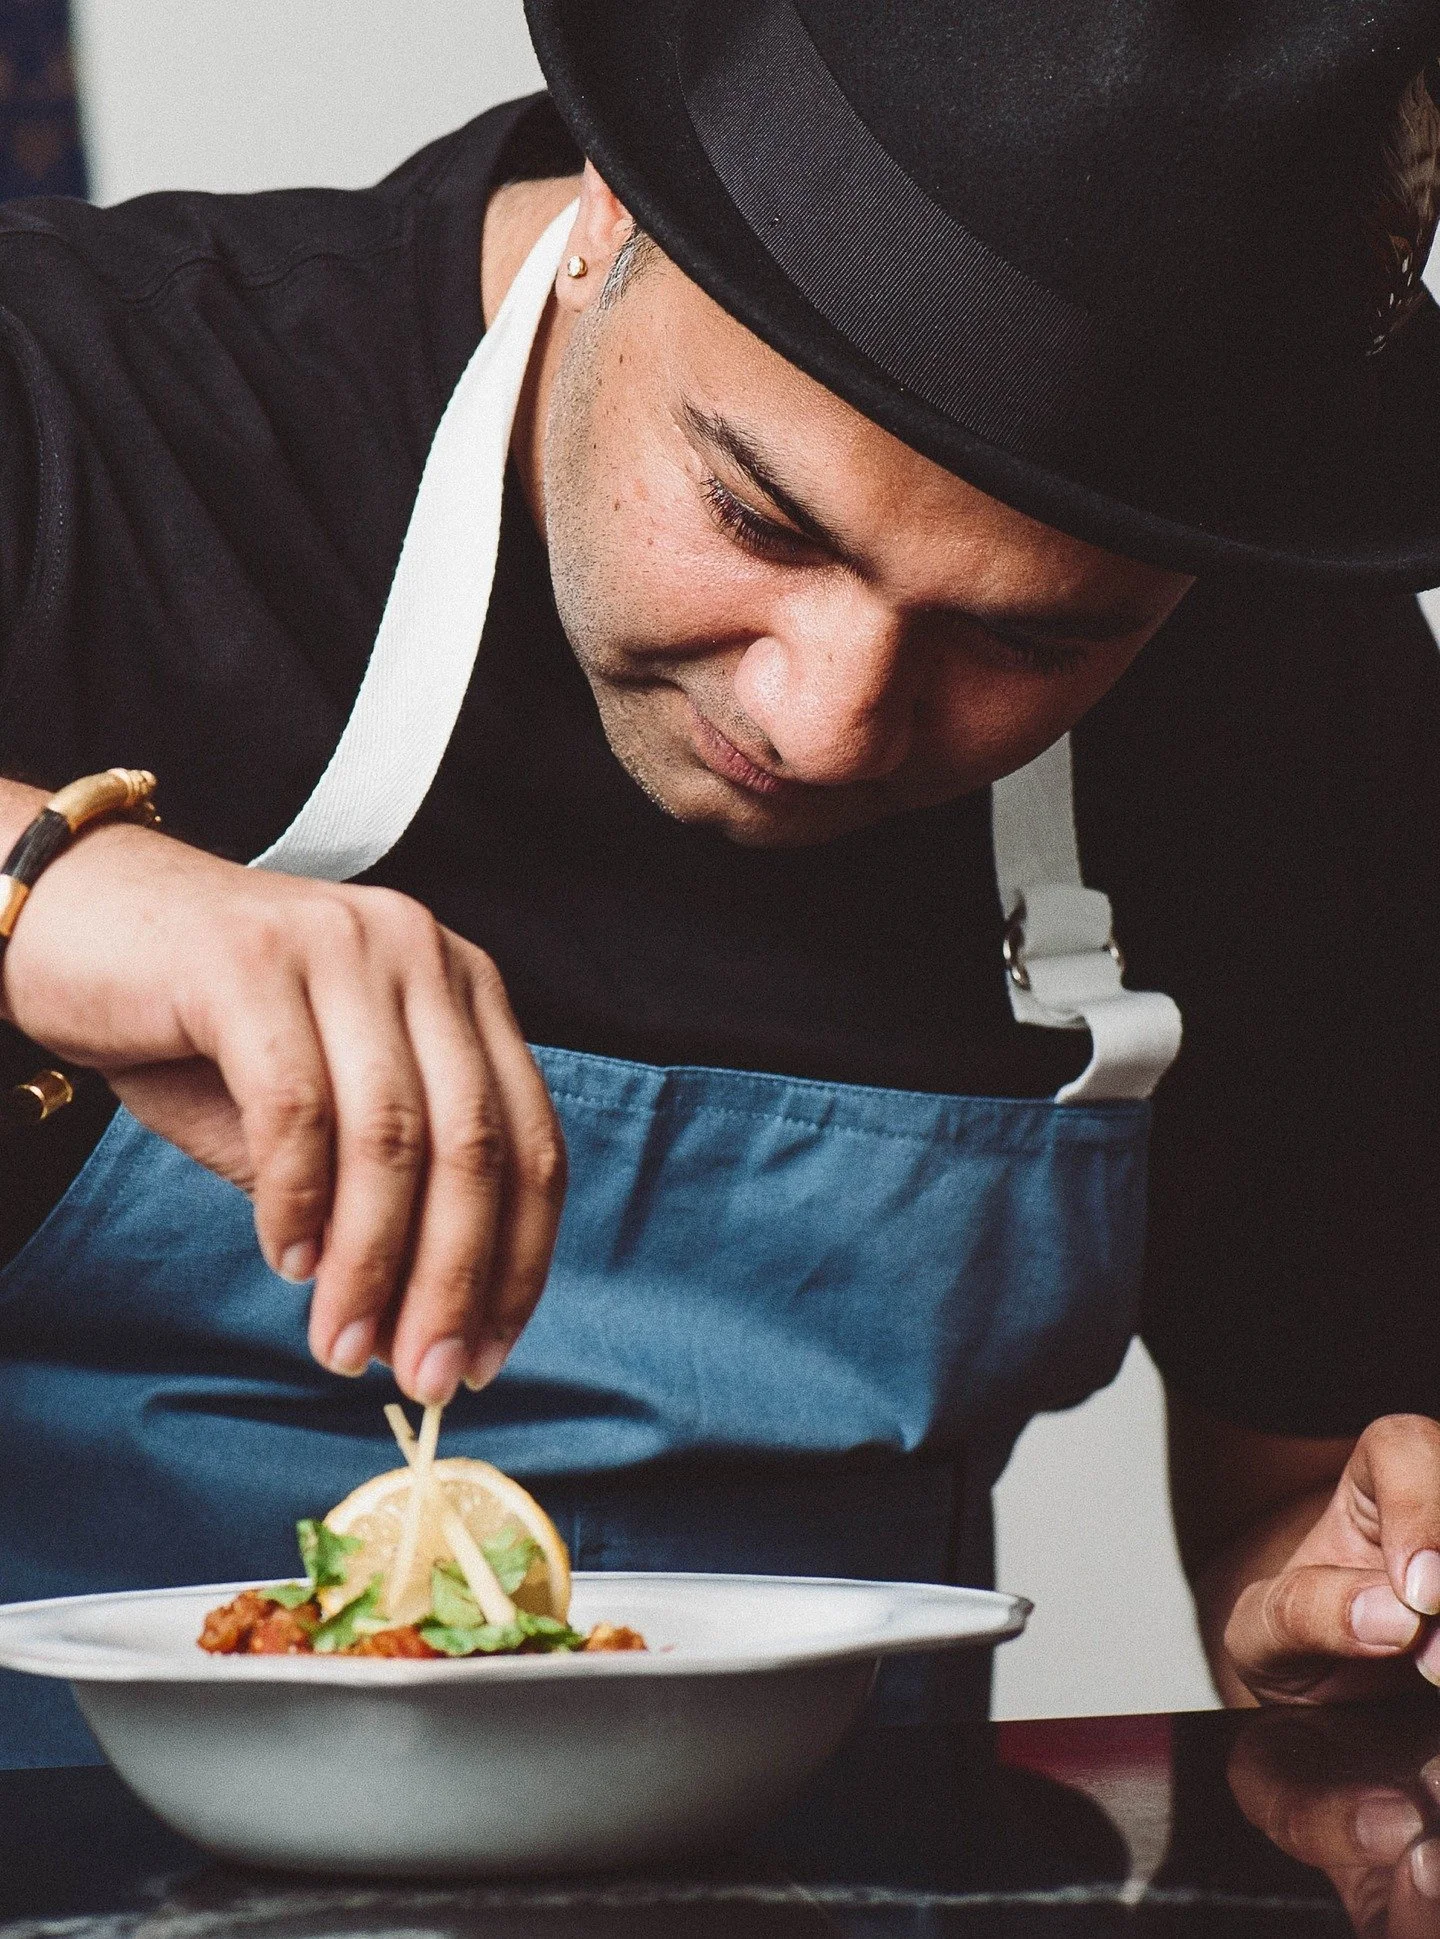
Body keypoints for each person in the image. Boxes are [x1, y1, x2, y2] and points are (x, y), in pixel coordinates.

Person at [2, 0, 1440, 1765]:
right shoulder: (69, 408)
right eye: (760, 520)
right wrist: (44, 887)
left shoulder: (1288, 691)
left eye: (1026, 637)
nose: (826, 724)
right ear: (609, 207)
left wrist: (1354, 1604)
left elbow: (1292, 1505)